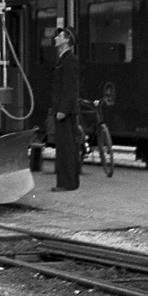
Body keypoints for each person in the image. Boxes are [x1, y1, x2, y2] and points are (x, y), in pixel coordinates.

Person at [51, 26, 81, 192]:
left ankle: (67, 183)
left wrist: (63, 109)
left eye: (59, 36)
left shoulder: (69, 61)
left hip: (65, 113)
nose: (56, 38)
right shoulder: (63, 60)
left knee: (66, 148)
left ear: (67, 40)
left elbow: (70, 88)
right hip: (62, 111)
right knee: (64, 147)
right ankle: (66, 182)